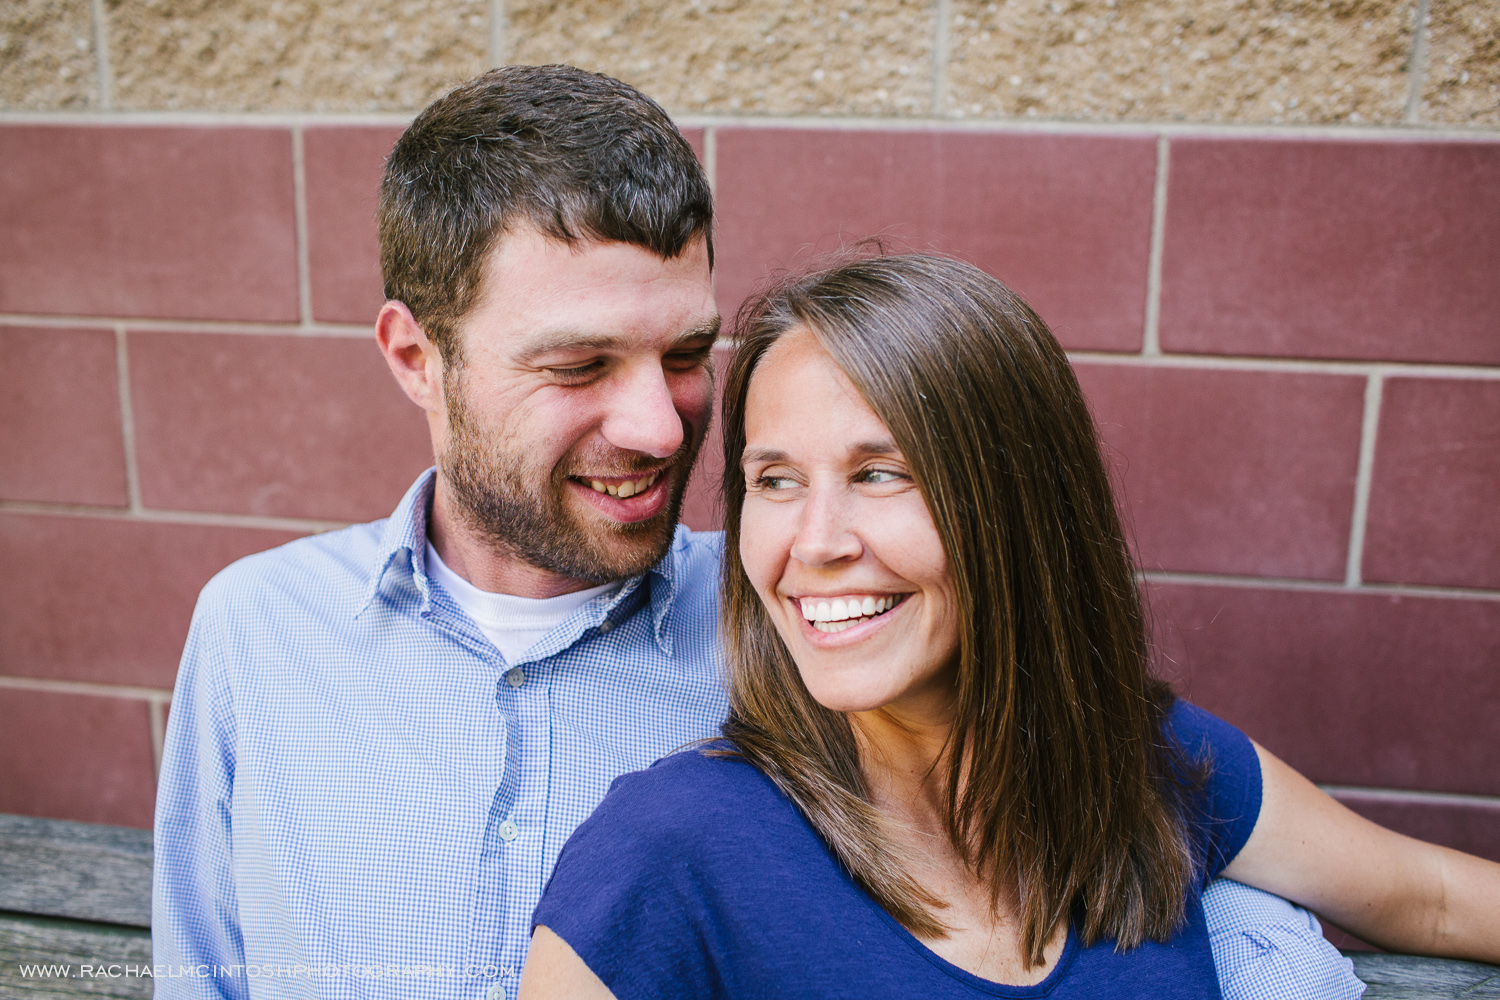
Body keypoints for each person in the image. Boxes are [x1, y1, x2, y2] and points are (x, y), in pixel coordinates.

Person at [153, 66, 1359, 1000]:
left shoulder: (814, 643)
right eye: (579, 365)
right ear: (417, 357)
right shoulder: (261, 630)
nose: (662, 423)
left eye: (685, 356)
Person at [522, 253, 1500, 999]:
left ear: (1016, 503)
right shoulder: (666, 854)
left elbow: (1437, 899)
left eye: (880, 473)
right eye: (775, 480)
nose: (812, 542)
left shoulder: (1151, 763)